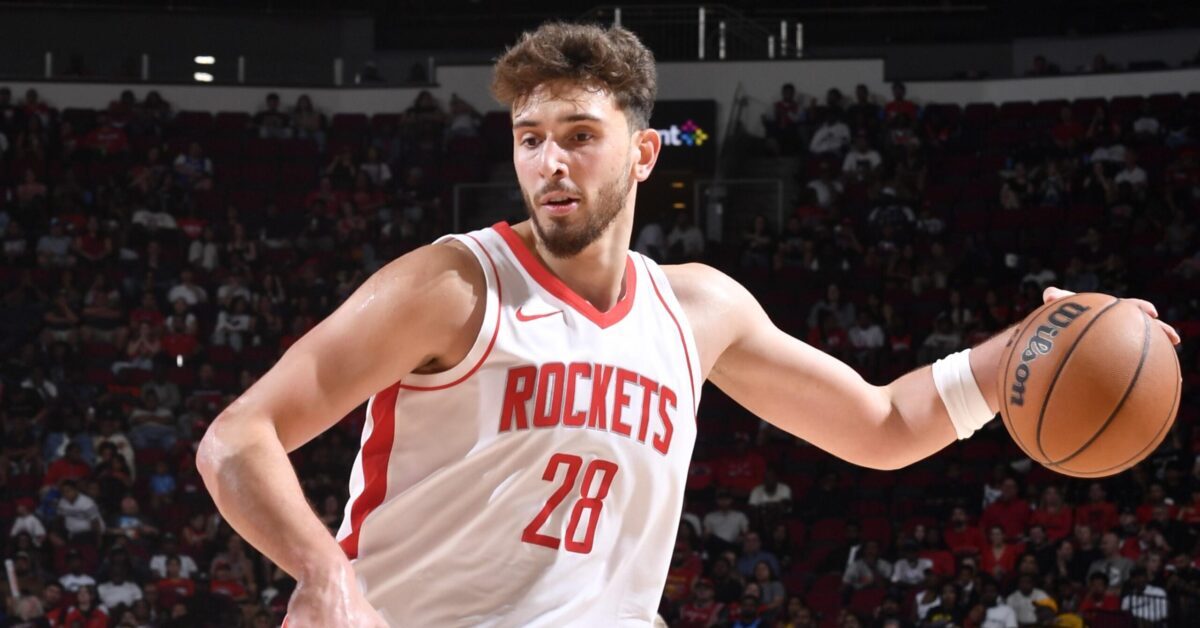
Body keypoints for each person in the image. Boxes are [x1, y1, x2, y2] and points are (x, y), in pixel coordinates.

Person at [195, 22, 1177, 628]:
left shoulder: (698, 309)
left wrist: (1028, 349)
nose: (550, 163)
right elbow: (238, 437)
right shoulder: (453, 285)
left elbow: (881, 425)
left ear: (645, 154)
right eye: (530, 139)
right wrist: (324, 577)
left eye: (579, 136)